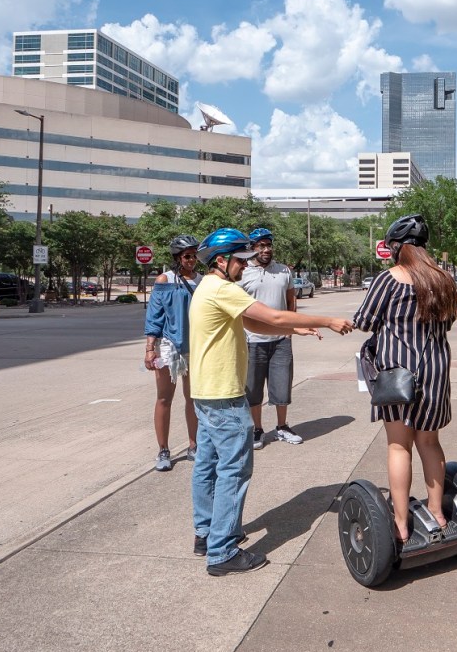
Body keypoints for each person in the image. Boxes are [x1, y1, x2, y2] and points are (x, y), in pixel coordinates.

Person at [190, 228, 353, 576]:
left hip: (205, 392)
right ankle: (222, 551)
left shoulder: (206, 287)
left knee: (207, 464)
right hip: (224, 395)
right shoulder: (223, 289)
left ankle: (205, 534)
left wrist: (294, 330)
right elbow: (274, 316)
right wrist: (327, 320)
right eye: (240, 260)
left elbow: (255, 323)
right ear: (222, 261)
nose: (245, 266)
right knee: (234, 469)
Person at [353, 214, 457, 546]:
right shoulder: (444, 279)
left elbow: (364, 321)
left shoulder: (389, 279)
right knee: (429, 442)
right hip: (436, 371)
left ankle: (400, 523)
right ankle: (437, 513)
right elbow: (448, 323)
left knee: (399, 445)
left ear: (397, 247)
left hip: (399, 374)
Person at [240, 227, 301, 449]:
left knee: (282, 386)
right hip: (252, 340)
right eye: (261, 246)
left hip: (281, 340)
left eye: (269, 245)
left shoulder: (283, 271)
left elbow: (291, 301)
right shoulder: (243, 272)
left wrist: (290, 329)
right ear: (252, 248)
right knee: (253, 389)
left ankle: (282, 426)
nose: (266, 249)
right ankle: (257, 429)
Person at [144, 235, 200, 472]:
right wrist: (149, 348)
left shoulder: (202, 281)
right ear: (177, 257)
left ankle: (194, 445)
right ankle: (163, 450)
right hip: (168, 347)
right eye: (187, 256)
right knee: (164, 398)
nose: (192, 260)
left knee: (194, 398)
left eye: (194, 256)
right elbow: (154, 317)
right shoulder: (165, 280)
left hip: (195, 347)